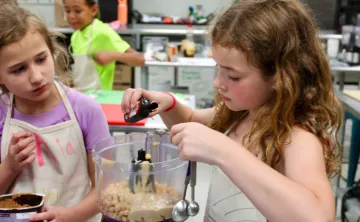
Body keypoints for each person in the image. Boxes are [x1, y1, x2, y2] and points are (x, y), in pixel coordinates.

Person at [121, 0, 342, 221]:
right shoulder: (241, 113)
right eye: (218, 69)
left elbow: (318, 216)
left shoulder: (296, 138)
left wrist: (223, 151)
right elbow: (191, 120)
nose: (218, 83)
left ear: (280, 76)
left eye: (233, 76)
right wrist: (168, 104)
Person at [0, 5, 110, 222]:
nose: (36, 77)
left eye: (41, 59)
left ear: (52, 52)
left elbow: (105, 186)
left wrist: (71, 215)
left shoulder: (86, 110)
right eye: (18, 69)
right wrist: (10, 166)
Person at [63, 0, 145, 92]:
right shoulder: (76, 36)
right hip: (81, 95)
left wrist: (113, 55)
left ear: (93, 10)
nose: (71, 16)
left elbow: (140, 60)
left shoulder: (102, 31)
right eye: (67, 11)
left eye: (78, 11)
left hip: (100, 96)